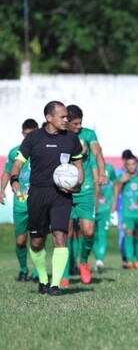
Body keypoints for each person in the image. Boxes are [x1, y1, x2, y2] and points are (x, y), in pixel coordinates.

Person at [9, 101, 83, 296]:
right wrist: (14, 179)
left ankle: (55, 285)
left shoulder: (72, 140)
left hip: (62, 195)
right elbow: (17, 163)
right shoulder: (33, 138)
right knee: (36, 242)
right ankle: (43, 279)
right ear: (49, 118)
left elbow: (79, 168)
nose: (66, 120)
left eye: (67, 116)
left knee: (60, 236)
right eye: (62, 117)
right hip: (38, 194)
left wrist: (77, 184)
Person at [64, 104, 107, 285]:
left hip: (85, 189)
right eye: (75, 124)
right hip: (64, 192)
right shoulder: (59, 136)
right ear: (66, 122)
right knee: (64, 234)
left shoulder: (89, 135)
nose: (78, 127)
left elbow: (97, 154)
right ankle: (64, 273)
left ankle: (83, 262)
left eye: (80, 123)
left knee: (88, 232)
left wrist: (102, 172)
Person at [0, 119, 39, 281]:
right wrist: (1, 189)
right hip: (20, 203)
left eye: (33, 133)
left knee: (37, 240)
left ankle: (38, 273)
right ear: (23, 133)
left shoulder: (42, 150)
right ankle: (23, 270)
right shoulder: (15, 152)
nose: (30, 137)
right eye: (27, 134)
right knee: (21, 240)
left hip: (38, 202)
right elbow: (8, 172)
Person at [93, 161, 118, 271]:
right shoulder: (88, 166)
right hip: (90, 207)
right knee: (91, 235)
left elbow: (116, 184)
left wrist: (114, 203)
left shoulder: (109, 168)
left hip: (105, 208)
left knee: (102, 234)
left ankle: (99, 260)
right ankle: (97, 259)